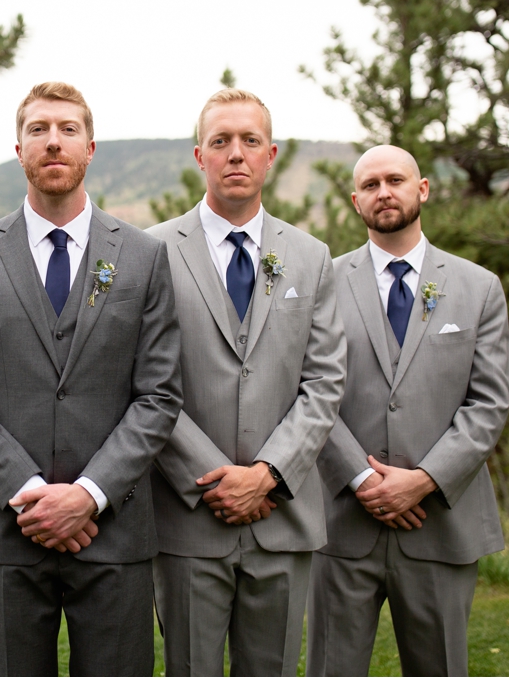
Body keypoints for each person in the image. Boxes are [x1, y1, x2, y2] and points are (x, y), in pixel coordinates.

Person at [0, 82, 186, 675]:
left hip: (115, 531)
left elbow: (159, 395)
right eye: (38, 130)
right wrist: (32, 495)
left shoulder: (143, 256)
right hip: (8, 528)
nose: (52, 142)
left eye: (67, 130)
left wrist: (88, 496)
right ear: (18, 149)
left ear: (90, 147)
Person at [149, 89, 347, 675]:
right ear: (199, 156)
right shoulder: (152, 252)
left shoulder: (311, 258)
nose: (236, 153)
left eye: (249, 141)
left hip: (281, 516)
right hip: (187, 519)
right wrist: (213, 481)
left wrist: (267, 476)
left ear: (270, 155)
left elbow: (324, 382)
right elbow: (146, 381)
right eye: (221, 142)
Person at [307, 145, 509, 676]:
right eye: (370, 185)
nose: (384, 192)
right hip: (342, 523)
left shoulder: (478, 287)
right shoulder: (321, 283)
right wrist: (361, 479)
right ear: (356, 201)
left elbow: (488, 404)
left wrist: (422, 480)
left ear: (422, 189)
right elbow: (310, 391)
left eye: (395, 180)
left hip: (440, 521)